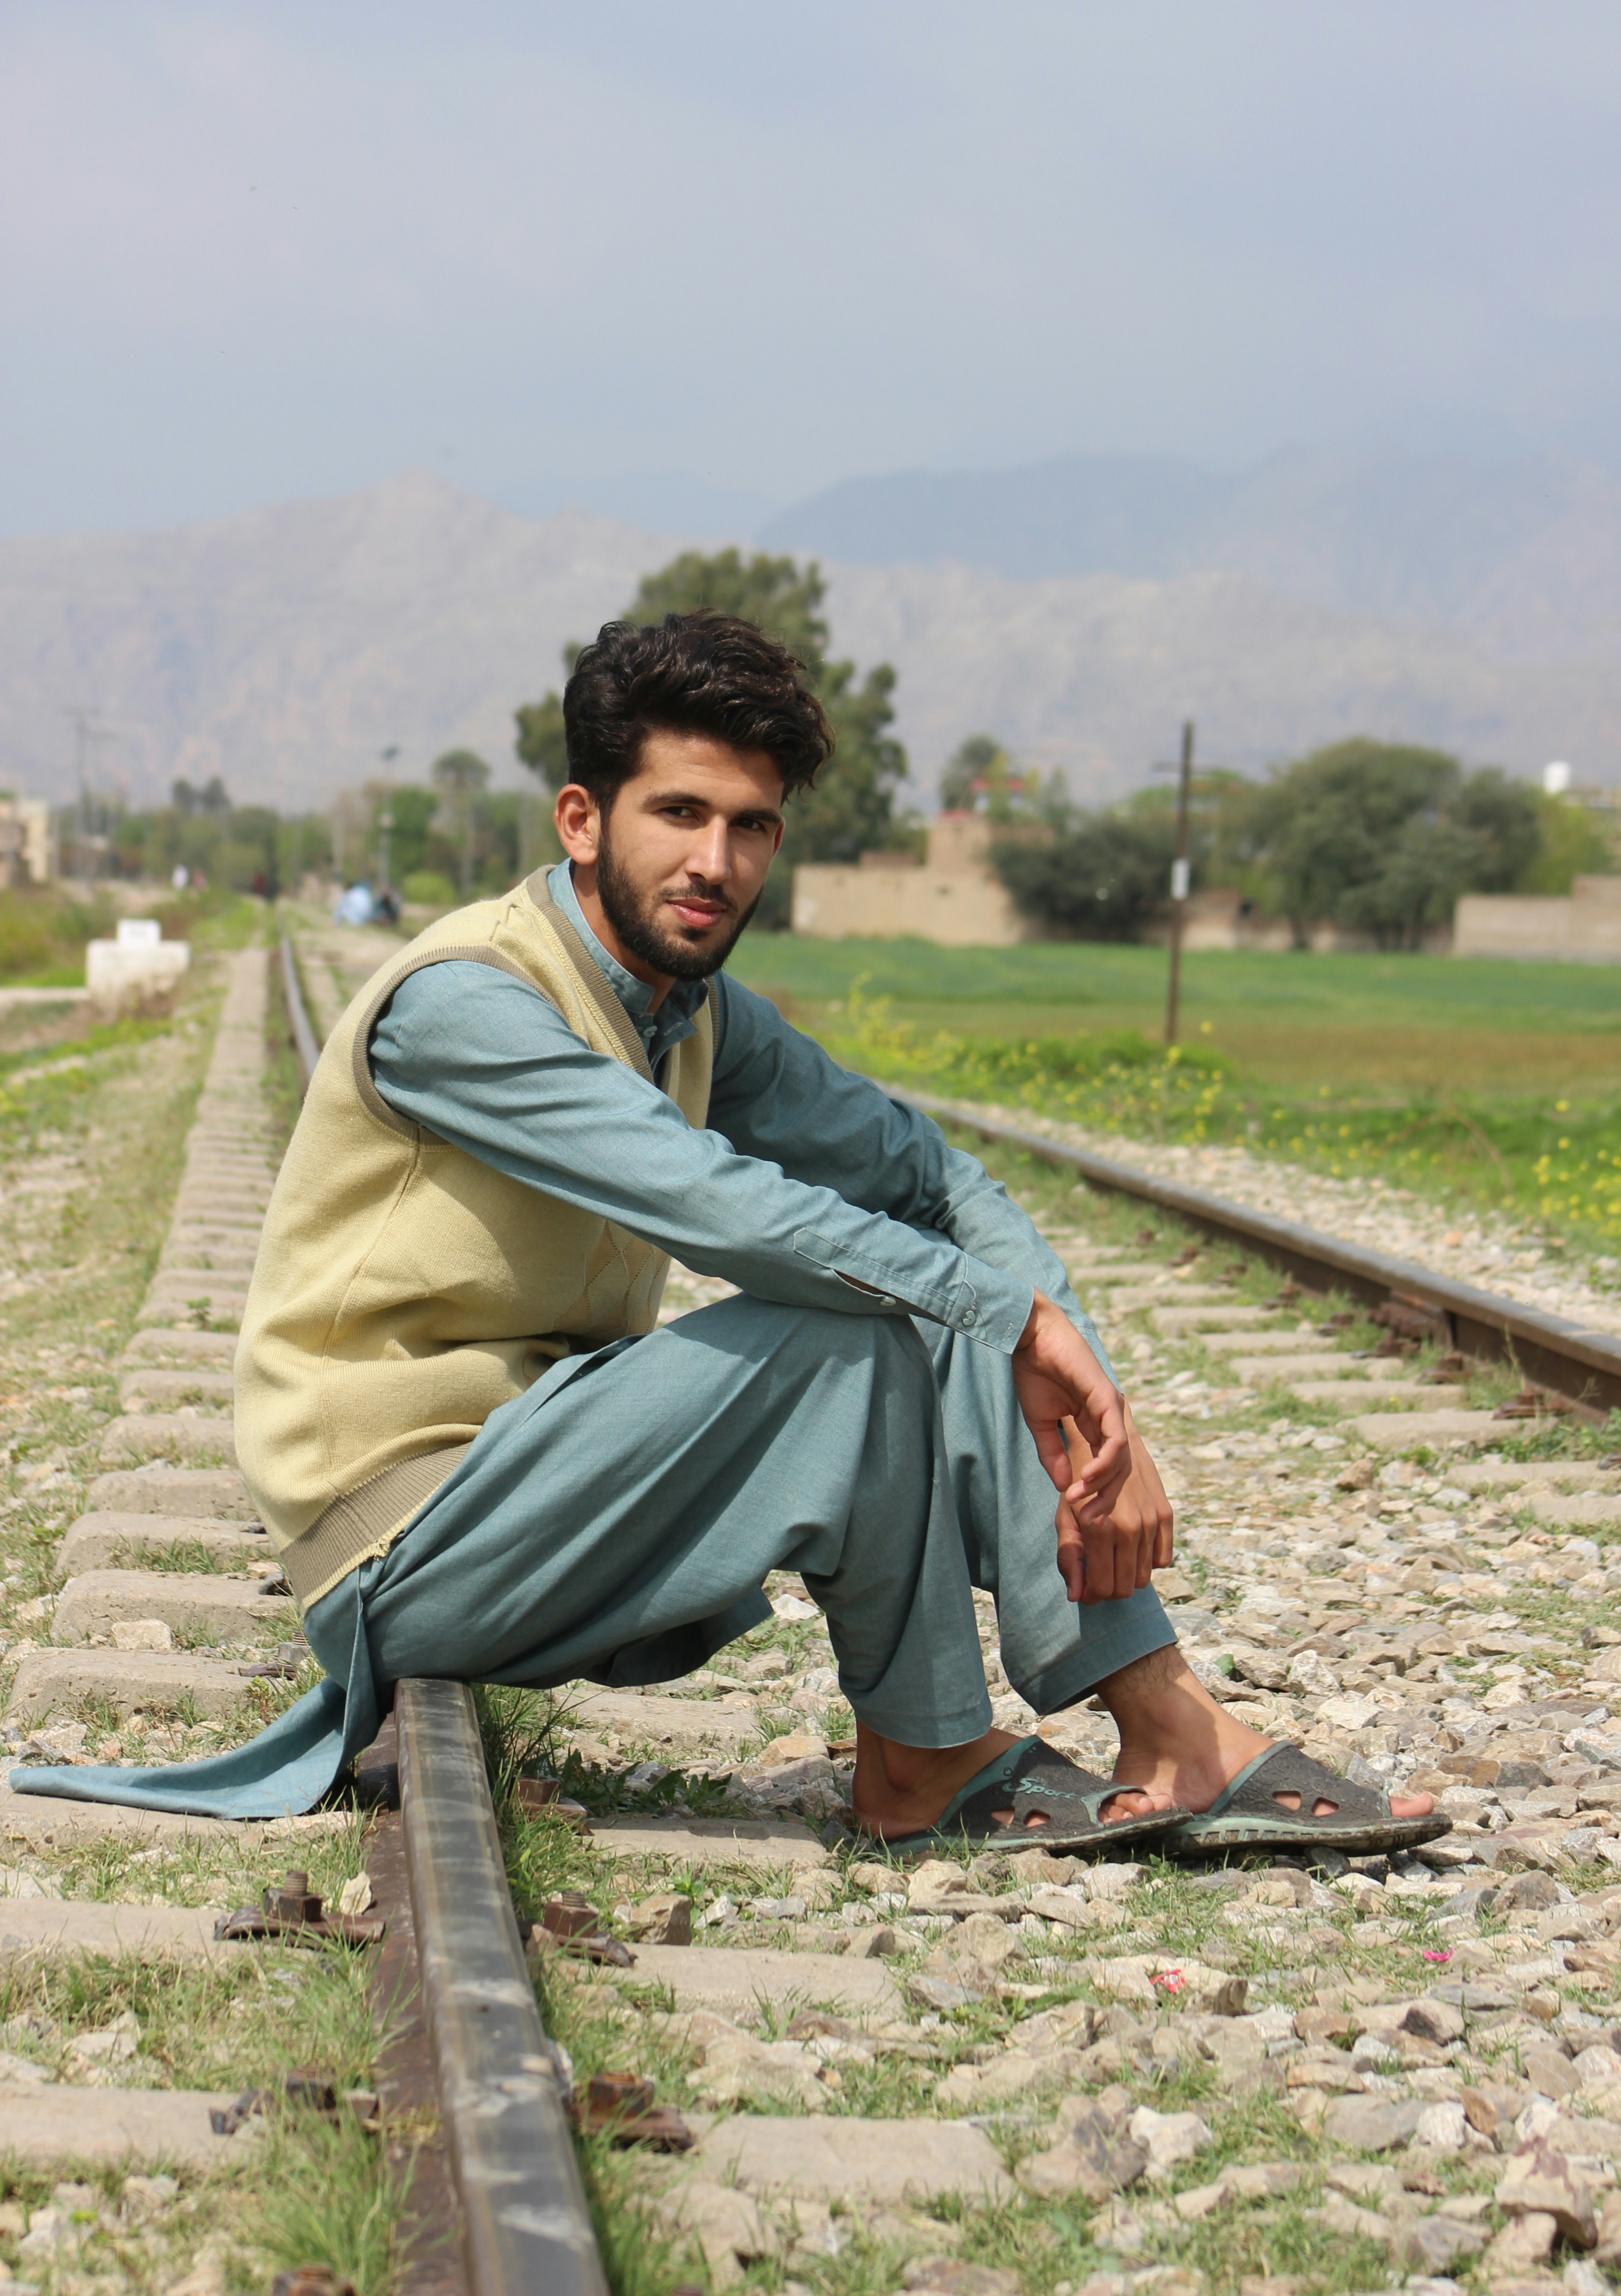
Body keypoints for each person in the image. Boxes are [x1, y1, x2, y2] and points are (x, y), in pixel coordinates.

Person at [15, 615, 1443, 1857]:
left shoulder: (693, 1011)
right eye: (680, 814)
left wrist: (1080, 1372)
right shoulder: (466, 1005)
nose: (717, 860)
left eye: (751, 825)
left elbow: (926, 1183)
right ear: (584, 820)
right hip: (408, 1541)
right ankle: (925, 1763)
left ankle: (1169, 1724)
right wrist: (1014, 1324)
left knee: (944, 1293)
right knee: (873, 1320)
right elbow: (727, 1215)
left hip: (558, 1488)